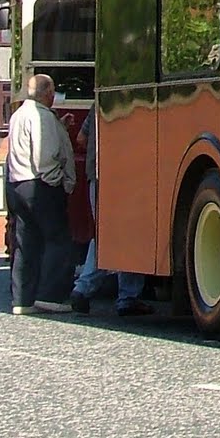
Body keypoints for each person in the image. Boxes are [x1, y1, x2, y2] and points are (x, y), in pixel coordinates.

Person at [5, 73, 77, 314]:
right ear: (48, 93)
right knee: (58, 239)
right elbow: (44, 156)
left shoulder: (18, 115)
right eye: (53, 92)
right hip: (40, 185)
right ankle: (51, 296)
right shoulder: (41, 116)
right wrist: (58, 181)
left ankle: (22, 300)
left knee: (26, 243)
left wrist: (60, 127)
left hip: (17, 184)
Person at [69, 106, 152, 316]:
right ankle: (126, 297)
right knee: (132, 234)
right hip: (127, 175)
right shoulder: (137, 103)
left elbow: (81, 138)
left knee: (105, 234)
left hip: (96, 176)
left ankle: (85, 288)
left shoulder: (97, 105)